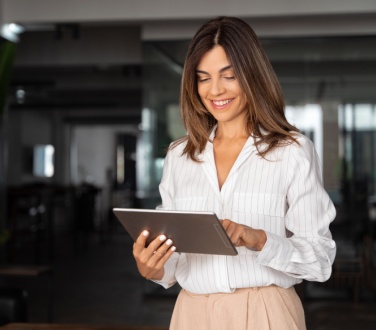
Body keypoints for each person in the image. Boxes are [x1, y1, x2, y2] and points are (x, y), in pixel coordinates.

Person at [132, 16, 336, 330]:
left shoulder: (292, 150)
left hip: (266, 312)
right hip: (192, 314)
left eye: (228, 76)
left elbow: (320, 260)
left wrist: (259, 240)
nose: (215, 90)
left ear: (252, 75)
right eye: (203, 78)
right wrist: (153, 266)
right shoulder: (179, 155)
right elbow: (174, 261)